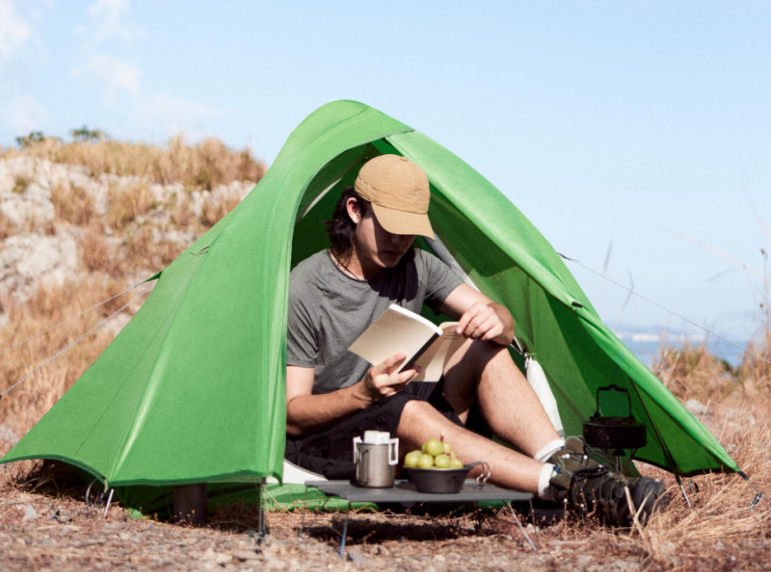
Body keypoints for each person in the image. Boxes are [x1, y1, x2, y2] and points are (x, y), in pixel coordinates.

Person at [285, 154, 665, 525]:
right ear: (355, 210)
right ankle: (564, 487)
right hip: (337, 438)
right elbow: (293, 417)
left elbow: (501, 319)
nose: (400, 240)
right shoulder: (305, 288)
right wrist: (363, 394)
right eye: (390, 226)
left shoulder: (417, 265)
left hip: (402, 409)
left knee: (483, 345)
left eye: (410, 229)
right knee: (408, 410)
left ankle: (560, 460)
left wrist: (497, 320)